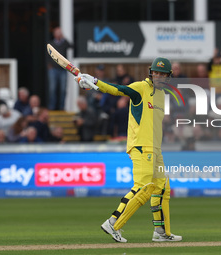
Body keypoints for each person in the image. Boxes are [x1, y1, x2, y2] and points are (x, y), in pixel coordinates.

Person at [76, 57, 182, 243]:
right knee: (142, 188)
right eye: (155, 72)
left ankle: (161, 232)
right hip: (141, 146)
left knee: (162, 188)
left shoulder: (162, 95)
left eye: (162, 74)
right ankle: (113, 223)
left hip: (156, 148)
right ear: (151, 73)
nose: (158, 76)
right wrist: (95, 83)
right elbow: (118, 89)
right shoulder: (141, 88)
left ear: (167, 77)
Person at [47, 27, 72, 110]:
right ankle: (52, 107)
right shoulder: (51, 44)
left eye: (60, 33)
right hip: (53, 69)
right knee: (52, 89)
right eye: (57, 33)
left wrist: (64, 37)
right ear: (54, 34)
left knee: (63, 89)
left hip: (63, 69)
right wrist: (49, 65)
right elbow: (47, 55)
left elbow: (71, 46)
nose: (59, 34)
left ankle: (62, 107)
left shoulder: (64, 43)